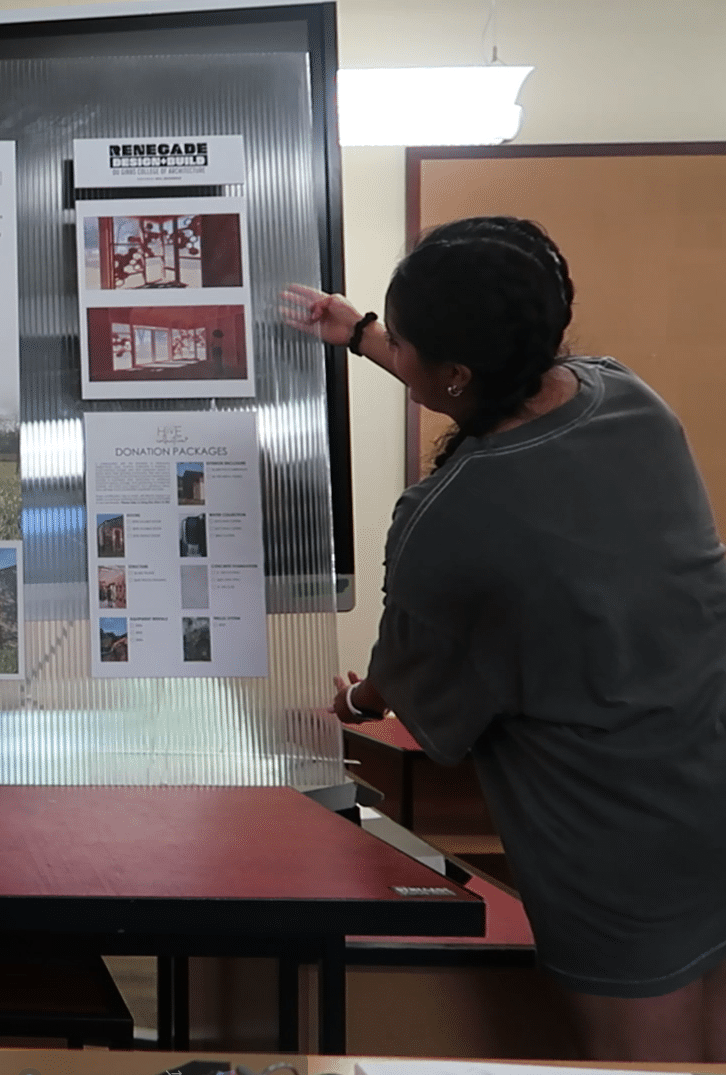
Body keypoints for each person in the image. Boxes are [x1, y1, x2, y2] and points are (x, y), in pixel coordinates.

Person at [282, 216, 726, 1062]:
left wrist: (355, 701)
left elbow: (402, 679)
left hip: (617, 827)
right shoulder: (625, 395)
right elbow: (481, 386)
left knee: (650, 1063)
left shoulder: (449, 515)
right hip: (710, 763)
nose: (393, 349)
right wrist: (363, 333)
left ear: (452, 371)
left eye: (401, 341)